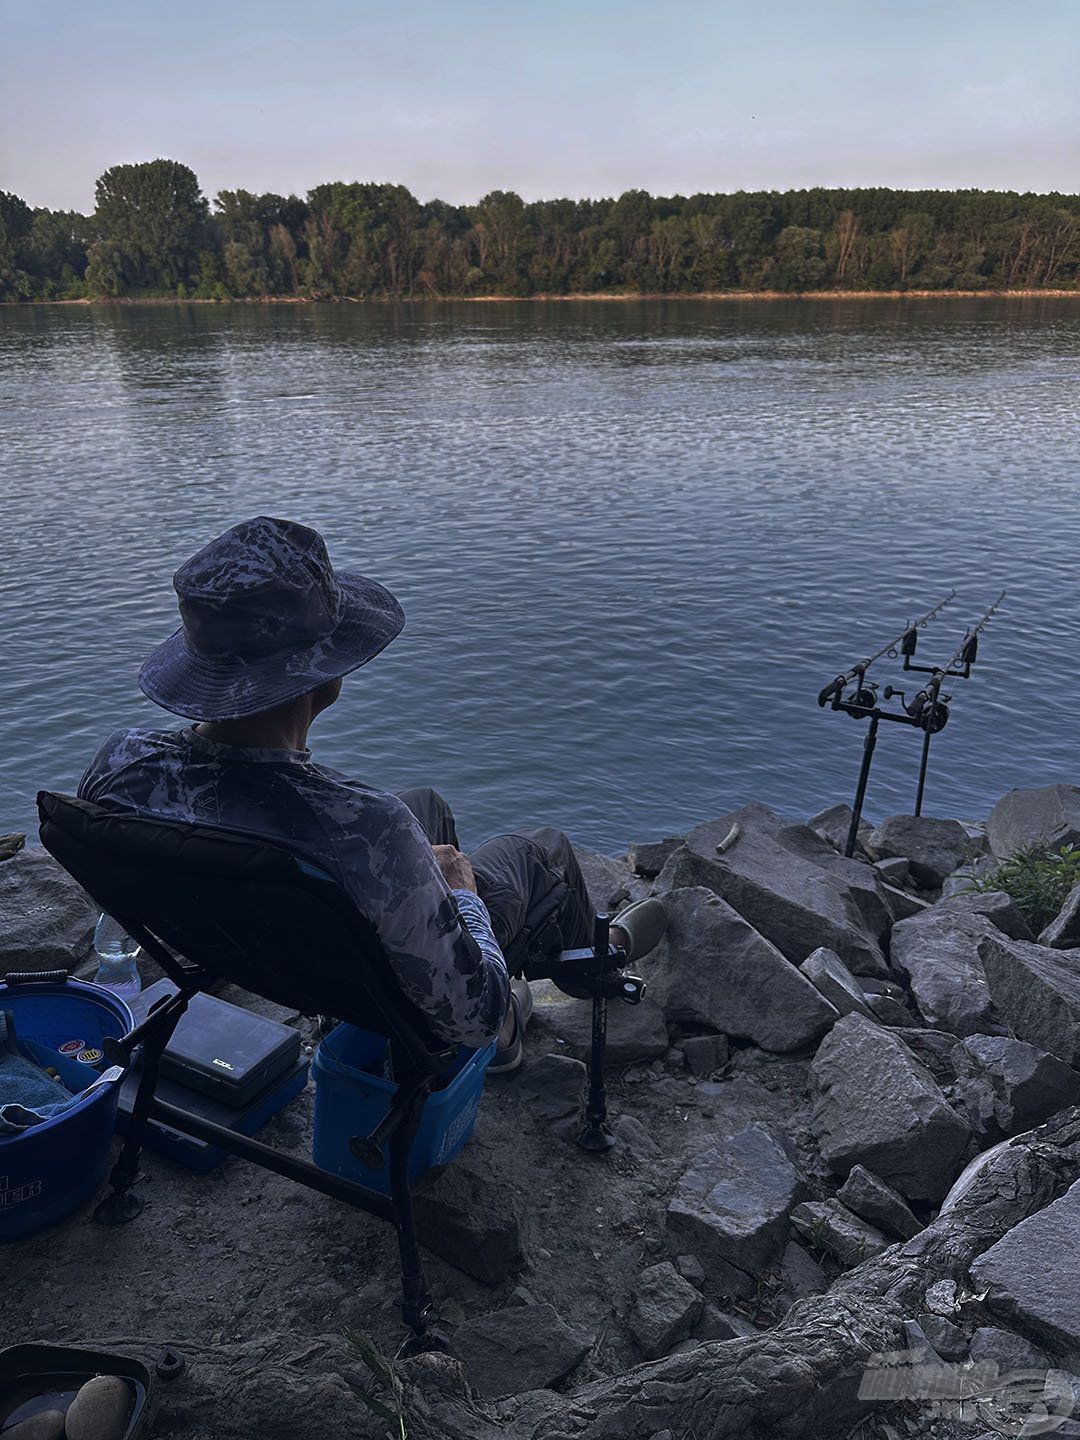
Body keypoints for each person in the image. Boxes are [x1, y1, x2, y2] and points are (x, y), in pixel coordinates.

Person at [78, 516, 666, 1073]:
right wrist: (461, 896)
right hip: (382, 986)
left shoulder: (119, 763)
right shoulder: (367, 828)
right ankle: (593, 964)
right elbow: (471, 1018)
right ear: (325, 674)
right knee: (541, 853)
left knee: (425, 805)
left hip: (264, 949)